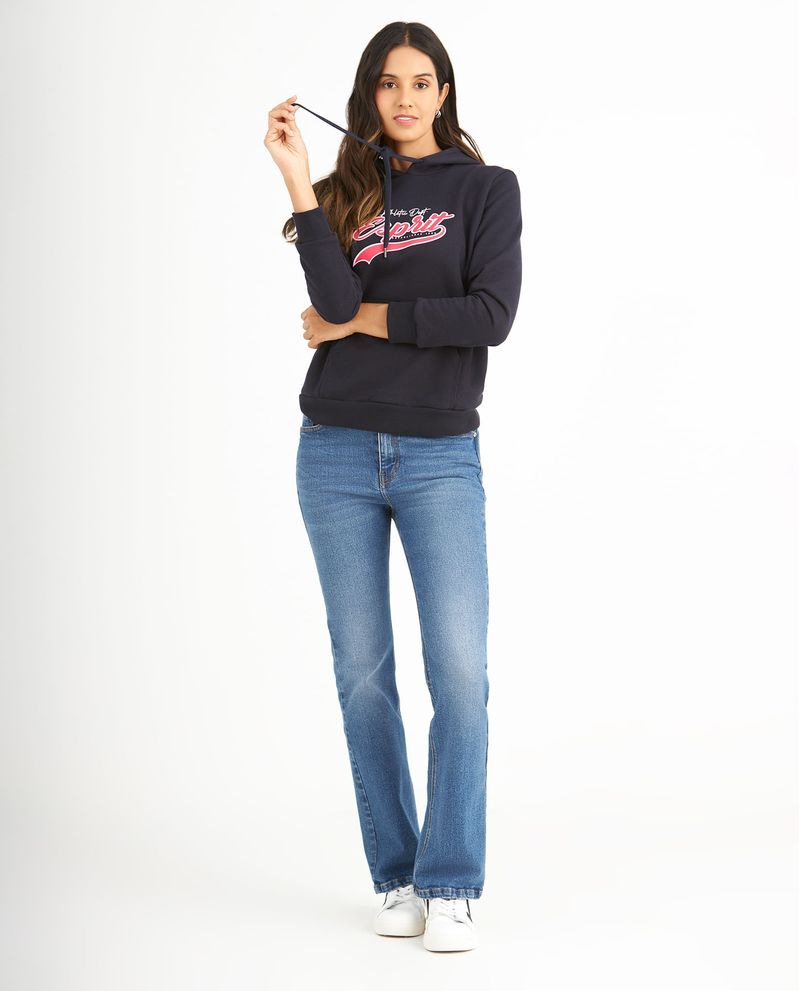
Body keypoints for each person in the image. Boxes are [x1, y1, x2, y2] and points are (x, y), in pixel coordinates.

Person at [263, 21, 522, 953]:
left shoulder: (487, 190)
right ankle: (398, 874)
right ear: (368, 95)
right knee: (364, 675)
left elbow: (489, 314)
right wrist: (299, 182)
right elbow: (327, 306)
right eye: (386, 83)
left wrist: (364, 319)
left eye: (420, 82)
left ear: (444, 92)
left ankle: (452, 881)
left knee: (459, 672)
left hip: (439, 455)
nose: (404, 98)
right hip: (333, 452)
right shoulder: (347, 191)